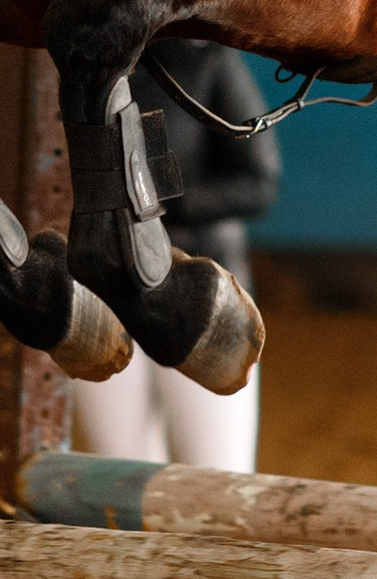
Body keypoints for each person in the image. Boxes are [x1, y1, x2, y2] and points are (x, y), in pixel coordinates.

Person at [70, 39, 282, 469]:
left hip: (199, 291)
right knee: (115, 471)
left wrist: (160, 203)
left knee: (217, 473)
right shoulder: (78, 66)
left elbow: (260, 181)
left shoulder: (206, 61)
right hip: (101, 291)